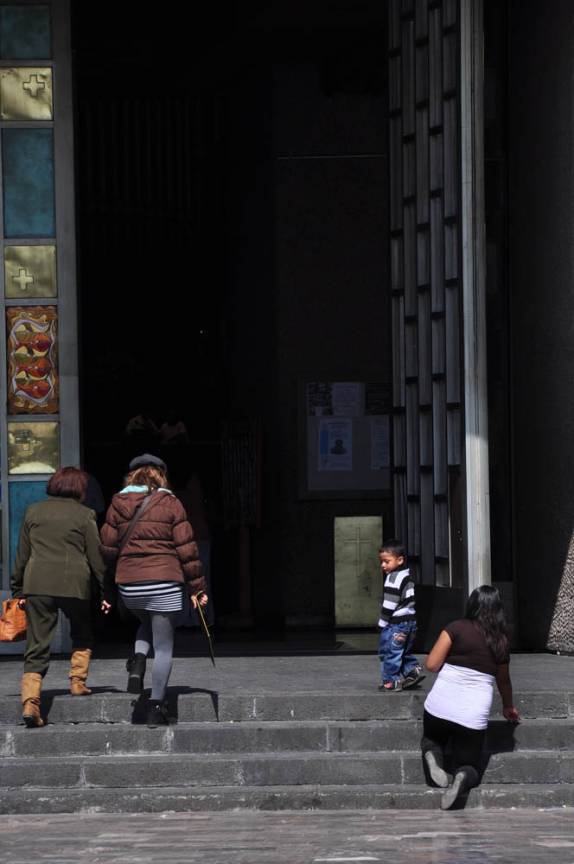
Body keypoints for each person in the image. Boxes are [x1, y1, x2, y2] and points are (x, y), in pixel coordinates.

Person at [101, 453, 207, 726]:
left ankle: (137, 660)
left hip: (130, 586)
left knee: (145, 620)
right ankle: (156, 707)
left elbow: (108, 551)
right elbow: (187, 549)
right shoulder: (171, 503)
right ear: (161, 475)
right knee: (163, 648)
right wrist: (197, 588)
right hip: (164, 582)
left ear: (131, 476)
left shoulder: (117, 503)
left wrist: (109, 592)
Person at [11, 466, 111, 728]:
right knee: (82, 631)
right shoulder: (84, 514)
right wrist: (105, 591)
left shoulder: (33, 511)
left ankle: (31, 702)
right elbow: (96, 557)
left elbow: (21, 554)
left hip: (38, 584)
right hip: (74, 585)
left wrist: (18, 589)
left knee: (37, 642)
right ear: (79, 488)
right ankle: (78, 682)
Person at [422, 584, 520, 810]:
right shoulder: (502, 641)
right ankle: (462, 777)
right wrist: (508, 707)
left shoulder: (455, 628)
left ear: (472, 604)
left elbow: (432, 665)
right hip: (472, 713)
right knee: (468, 764)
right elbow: (503, 681)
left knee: (431, 740)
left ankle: (433, 756)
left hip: (440, 704)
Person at [377, 538, 423, 691]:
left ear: (400, 560)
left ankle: (391, 682)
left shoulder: (393, 578)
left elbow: (389, 604)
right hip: (410, 622)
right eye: (381, 561)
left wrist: (382, 623)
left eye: (386, 561)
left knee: (390, 652)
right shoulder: (407, 576)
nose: (383, 565)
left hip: (396, 624)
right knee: (401, 651)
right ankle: (412, 670)